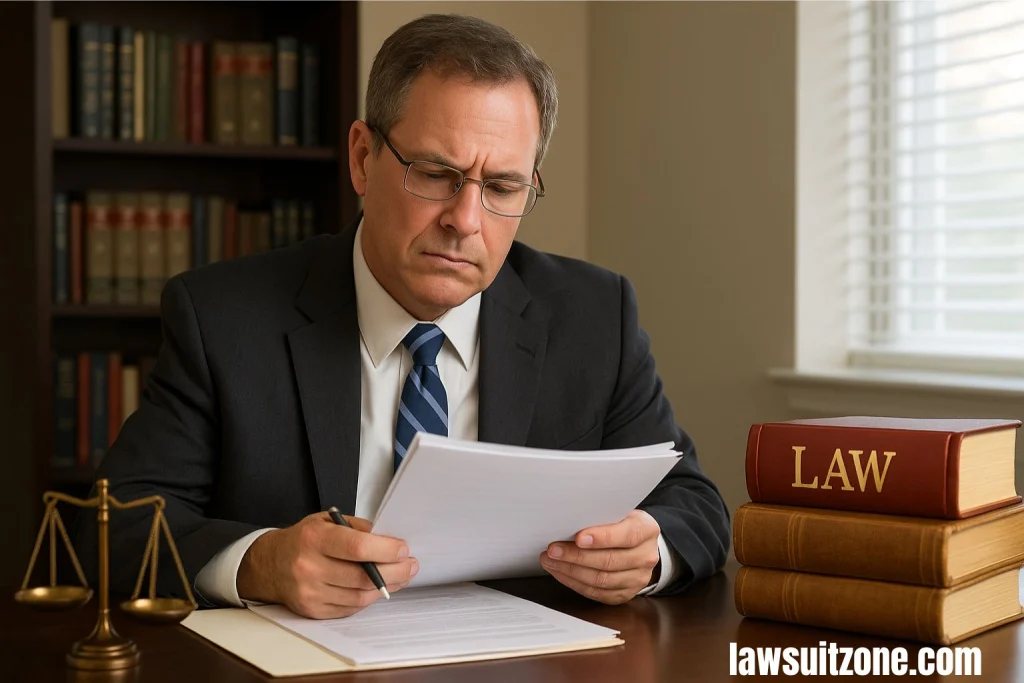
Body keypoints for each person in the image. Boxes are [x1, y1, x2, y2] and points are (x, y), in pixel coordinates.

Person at [75, 13, 730, 619]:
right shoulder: (223, 318)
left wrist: (648, 553)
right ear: (364, 158)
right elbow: (120, 527)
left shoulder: (593, 315)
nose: (465, 220)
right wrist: (260, 563)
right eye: (436, 173)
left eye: (502, 187)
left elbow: (695, 505)